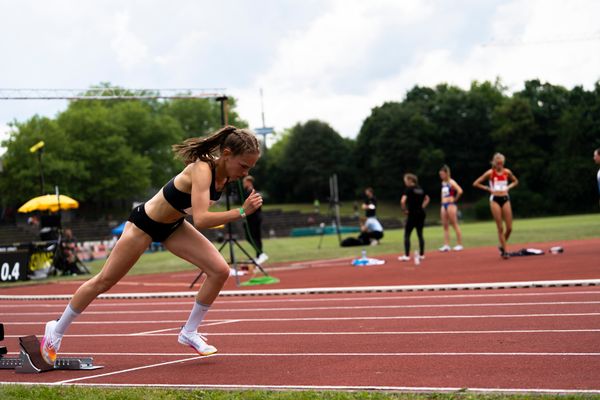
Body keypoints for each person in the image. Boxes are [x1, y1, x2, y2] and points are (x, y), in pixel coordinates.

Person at [40, 125, 263, 364]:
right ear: (227, 154)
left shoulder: (226, 175)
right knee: (104, 281)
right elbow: (201, 219)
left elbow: (192, 211)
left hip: (174, 227)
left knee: (219, 271)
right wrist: (241, 211)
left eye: (249, 167)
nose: (245, 172)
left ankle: (189, 332)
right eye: (243, 166)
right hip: (144, 225)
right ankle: (55, 330)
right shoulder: (201, 169)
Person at [473, 153, 519, 259]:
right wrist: (488, 188)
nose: (500, 166)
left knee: (510, 228)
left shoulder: (507, 172)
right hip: (495, 199)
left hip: (505, 198)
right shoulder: (490, 173)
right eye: (498, 164)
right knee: (500, 227)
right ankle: (505, 252)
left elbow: (516, 181)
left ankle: (502, 246)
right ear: (495, 163)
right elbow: (476, 183)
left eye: (502, 163)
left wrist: (508, 187)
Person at [398, 173, 430, 262]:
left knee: (407, 234)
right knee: (420, 234)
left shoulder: (408, 189)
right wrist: (422, 206)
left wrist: (404, 210)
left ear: (410, 180)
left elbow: (402, 201)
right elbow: (427, 198)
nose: (405, 183)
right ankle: (422, 254)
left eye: (406, 181)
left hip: (412, 213)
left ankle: (407, 255)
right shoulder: (420, 189)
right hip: (421, 213)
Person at [242, 175, 268, 264]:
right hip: (253, 217)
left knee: (252, 237)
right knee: (255, 237)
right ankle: (259, 255)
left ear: (249, 182)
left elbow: (253, 206)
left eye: (244, 182)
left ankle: (260, 254)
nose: (243, 184)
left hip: (253, 218)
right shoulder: (250, 192)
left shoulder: (251, 193)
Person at [438, 165, 464, 252]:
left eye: (442, 174)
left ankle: (459, 244)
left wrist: (455, 199)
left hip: (450, 204)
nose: (441, 176)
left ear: (446, 173)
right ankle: (446, 245)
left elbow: (460, 191)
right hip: (443, 204)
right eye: (440, 174)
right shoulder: (443, 183)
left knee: (454, 224)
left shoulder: (451, 182)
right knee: (445, 225)